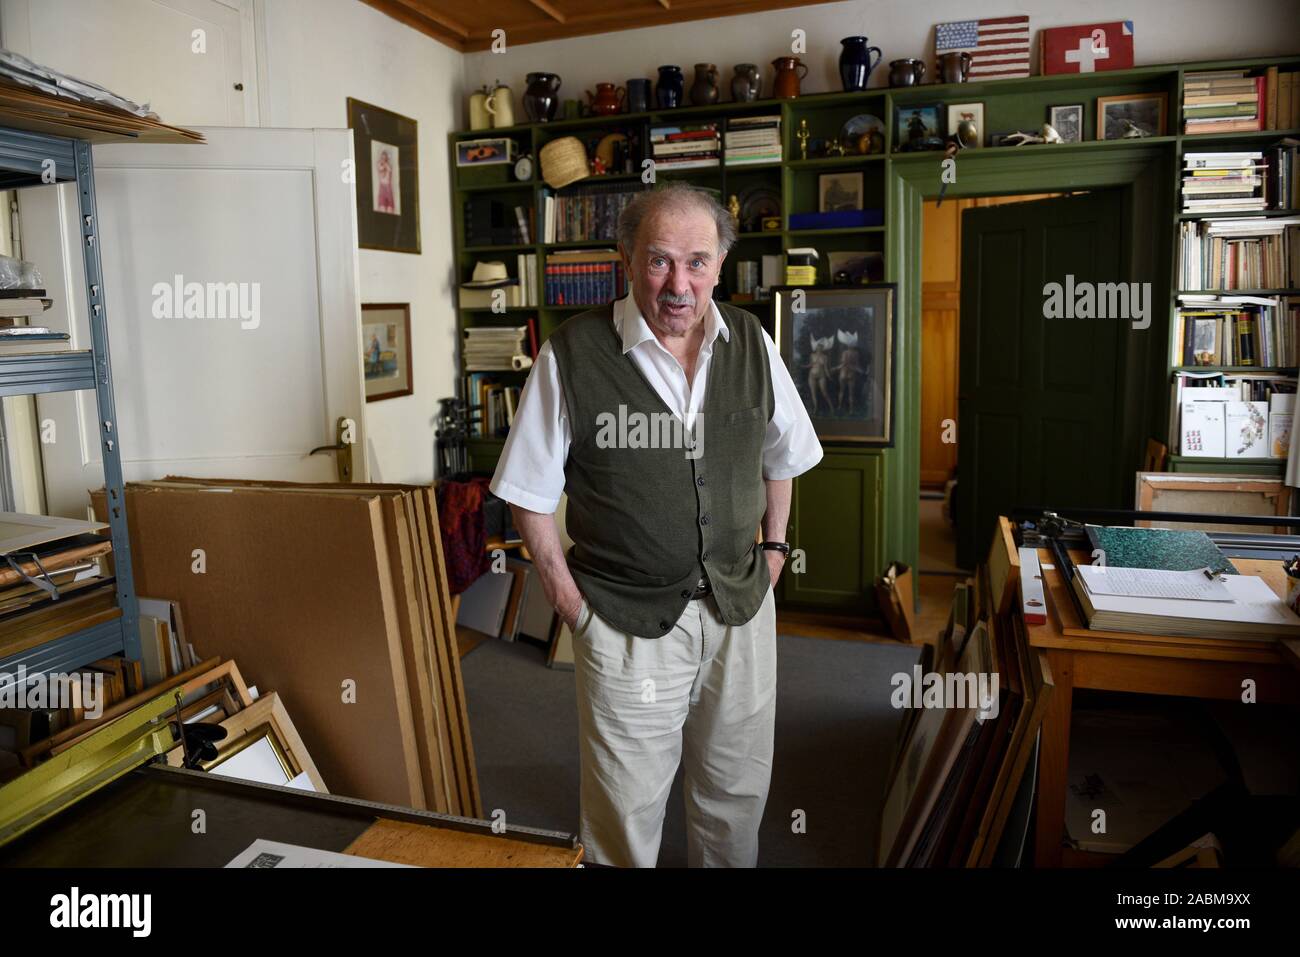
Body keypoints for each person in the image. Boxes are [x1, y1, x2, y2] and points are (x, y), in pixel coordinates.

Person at [489, 182, 822, 867]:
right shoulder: (573, 355)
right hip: (622, 621)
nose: (679, 283)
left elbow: (783, 454)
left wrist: (778, 549)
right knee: (625, 810)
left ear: (720, 267)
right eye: (660, 260)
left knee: (734, 795)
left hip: (739, 612)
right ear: (626, 258)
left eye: (697, 262)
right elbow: (527, 491)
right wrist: (571, 604)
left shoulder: (752, 343)